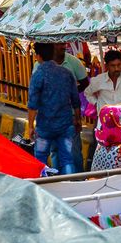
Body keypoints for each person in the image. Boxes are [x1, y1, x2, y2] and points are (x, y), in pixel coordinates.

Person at [27, 42, 81, 174]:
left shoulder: (38, 75)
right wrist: (78, 119)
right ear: (52, 53)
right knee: (67, 159)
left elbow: (33, 104)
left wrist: (30, 126)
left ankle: (44, 187)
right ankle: (70, 185)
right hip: (65, 124)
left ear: (38, 56)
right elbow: (75, 100)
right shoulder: (66, 73)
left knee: (40, 159)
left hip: (45, 127)